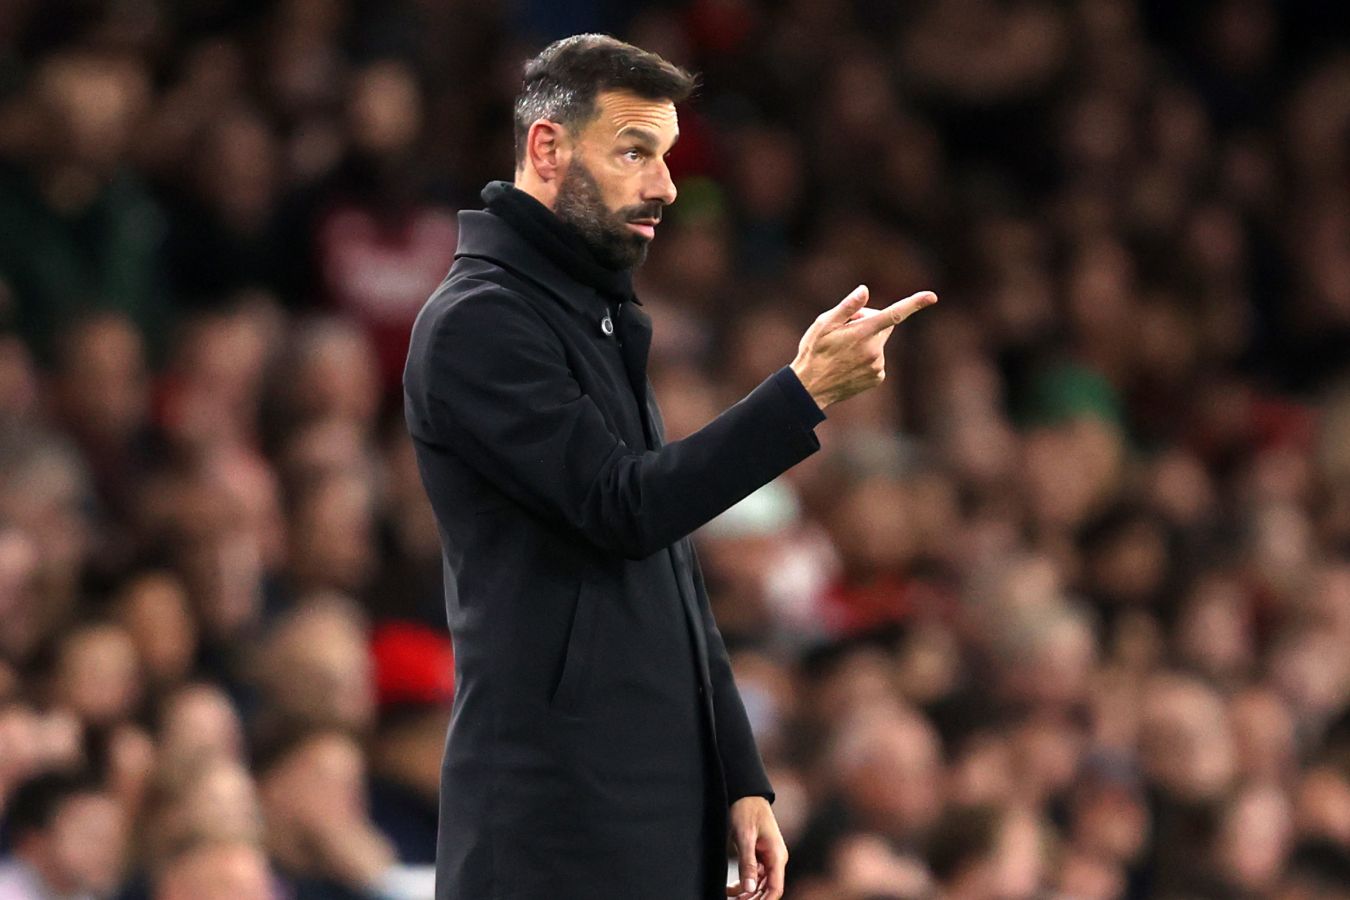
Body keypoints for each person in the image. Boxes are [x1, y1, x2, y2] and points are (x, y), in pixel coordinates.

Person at [402, 33, 937, 900]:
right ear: (548, 148)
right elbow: (626, 509)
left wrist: (737, 771)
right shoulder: (481, 322)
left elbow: (668, 565)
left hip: (641, 801)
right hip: (553, 821)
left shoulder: (592, 312)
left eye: (667, 155)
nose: (666, 185)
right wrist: (800, 395)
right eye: (634, 152)